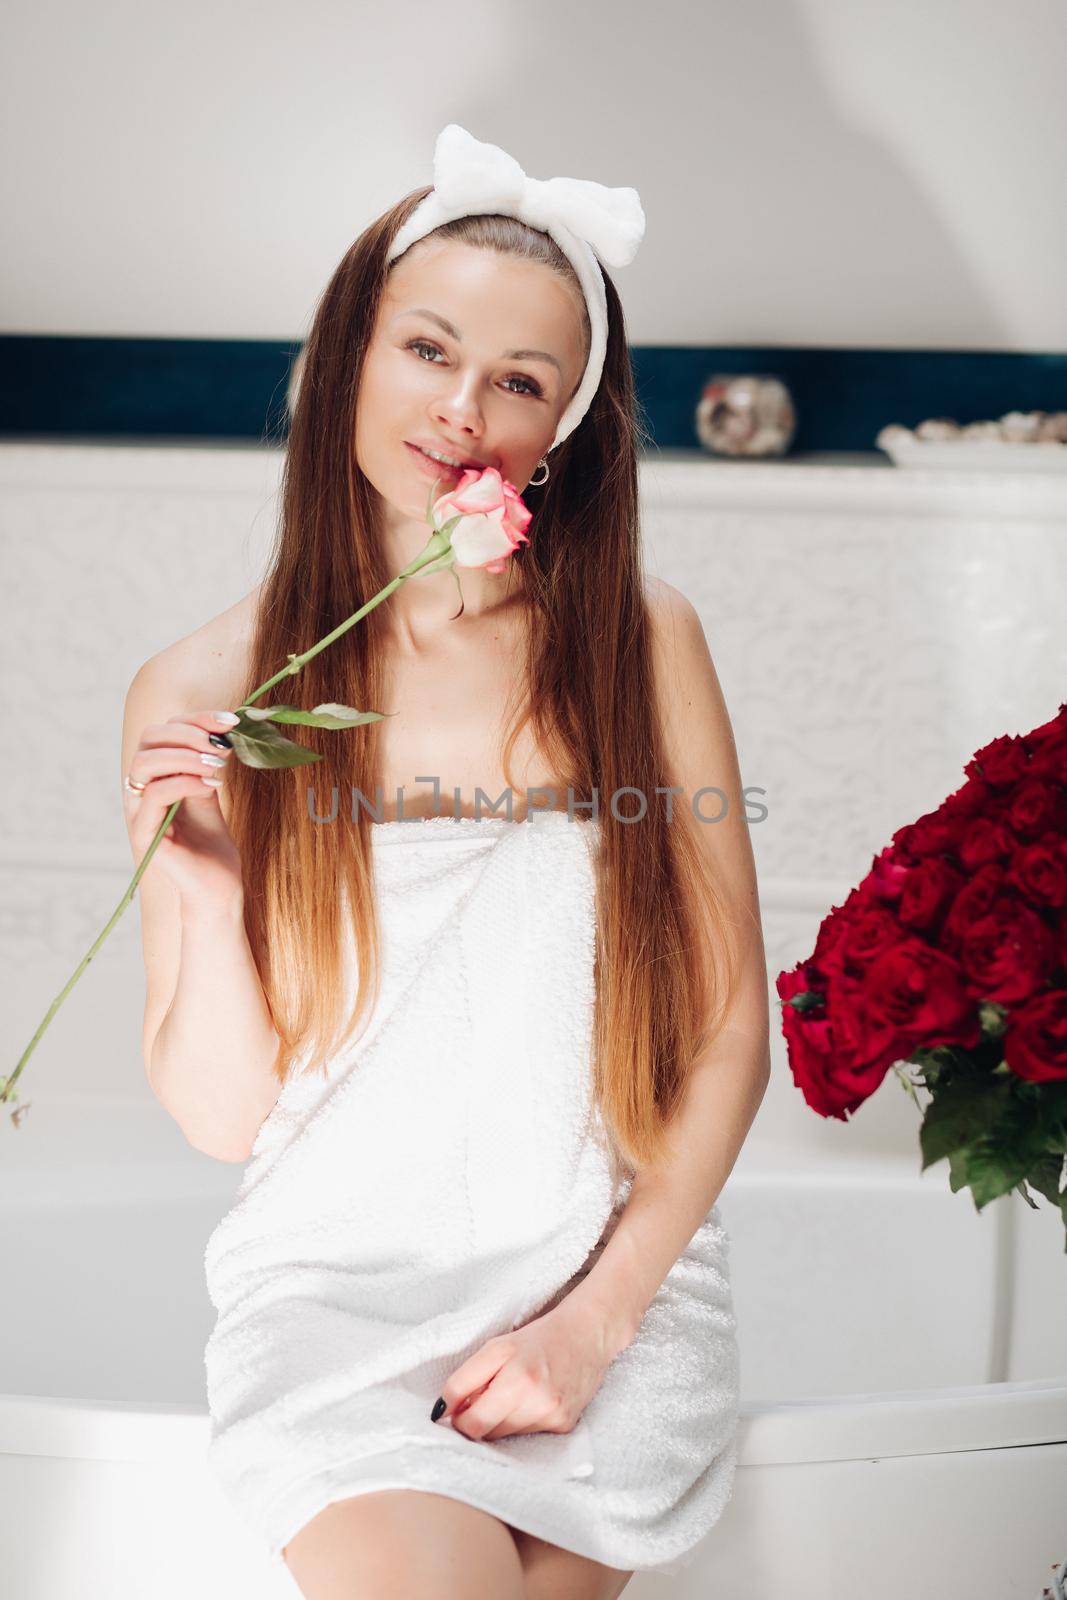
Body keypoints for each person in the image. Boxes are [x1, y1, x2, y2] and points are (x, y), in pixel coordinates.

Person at [119, 126, 771, 1600]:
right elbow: (227, 1117)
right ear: (350, 355)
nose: (461, 410)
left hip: (608, 1291)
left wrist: (594, 1322)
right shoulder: (199, 690)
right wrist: (206, 886)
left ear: (568, 427)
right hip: (336, 1294)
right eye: (427, 348)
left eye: (521, 381)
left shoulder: (640, 642)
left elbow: (732, 1027)